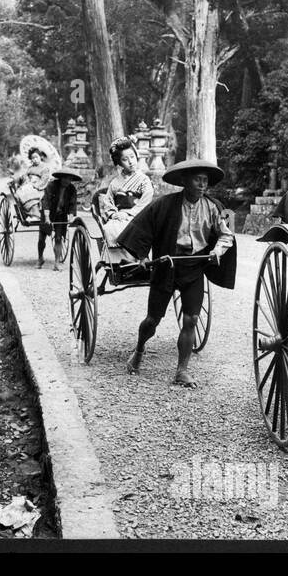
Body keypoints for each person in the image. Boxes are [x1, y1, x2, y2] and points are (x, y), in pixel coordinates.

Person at [118, 159, 236, 387]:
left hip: (194, 266)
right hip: (166, 264)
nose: (202, 185)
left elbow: (226, 235)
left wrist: (217, 250)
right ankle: (140, 349)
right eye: (197, 180)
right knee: (153, 319)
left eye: (205, 181)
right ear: (185, 182)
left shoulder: (213, 207)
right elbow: (142, 229)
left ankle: (182, 370)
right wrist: (142, 257)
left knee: (191, 318)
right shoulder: (165, 204)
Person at [98, 136, 153, 244]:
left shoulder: (144, 180)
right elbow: (108, 202)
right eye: (125, 159)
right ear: (119, 163)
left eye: (132, 157)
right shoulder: (115, 183)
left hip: (139, 216)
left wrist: (129, 214)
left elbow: (146, 201)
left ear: (136, 156)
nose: (130, 162)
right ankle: (115, 259)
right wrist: (114, 214)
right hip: (119, 217)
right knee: (110, 229)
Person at [38, 167, 80, 270]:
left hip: (61, 215)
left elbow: (72, 205)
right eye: (65, 178)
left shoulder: (71, 189)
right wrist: (47, 218)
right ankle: (40, 258)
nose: (67, 181)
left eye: (69, 179)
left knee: (58, 238)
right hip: (48, 213)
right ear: (61, 178)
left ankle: (56, 263)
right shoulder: (51, 186)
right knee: (42, 238)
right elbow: (46, 202)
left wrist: (70, 217)